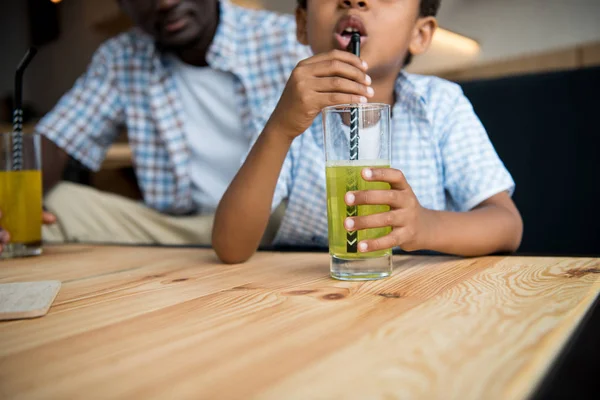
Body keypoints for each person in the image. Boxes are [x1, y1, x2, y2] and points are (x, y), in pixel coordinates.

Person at [212, 0, 523, 263]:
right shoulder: (284, 112)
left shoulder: (440, 106)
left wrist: (425, 225)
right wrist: (279, 130)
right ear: (302, 24)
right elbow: (230, 247)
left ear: (420, 33)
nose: (354, 0)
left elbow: (507, 225)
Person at [0, 0, 311, 255]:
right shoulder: (121, 57)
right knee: (55, 205)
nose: (164, 3)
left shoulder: (286, 39)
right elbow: (55, 140)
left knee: (301, 208)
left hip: (271, 220)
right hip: (175, 229)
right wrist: (7, 205)